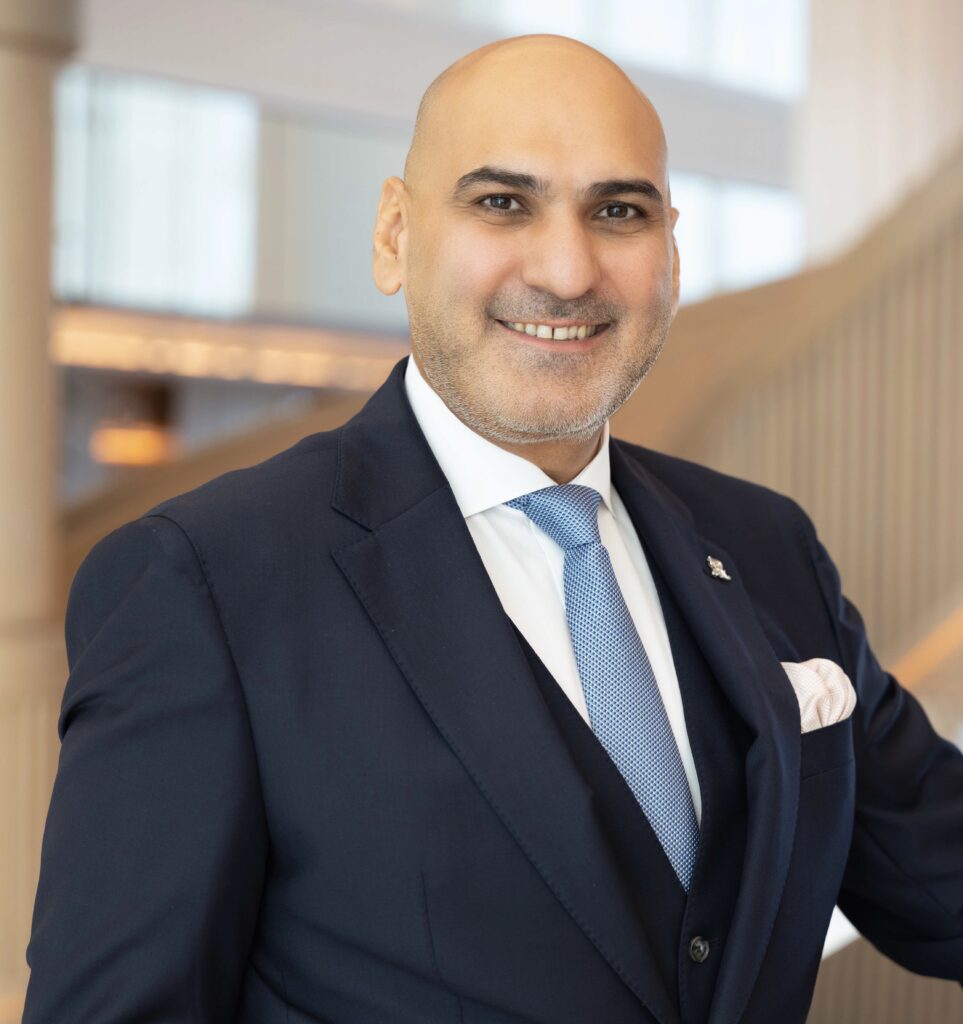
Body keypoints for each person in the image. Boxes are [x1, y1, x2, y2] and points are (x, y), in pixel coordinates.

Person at [24, 34, 963, 1024]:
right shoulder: (206, 584)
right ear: (395, 236)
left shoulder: (766, 546)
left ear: (673, 255)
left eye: (619, 211)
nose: (566, 270)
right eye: (503, 203)